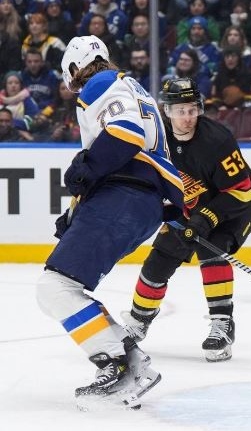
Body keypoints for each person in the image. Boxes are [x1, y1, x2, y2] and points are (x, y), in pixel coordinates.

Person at [35, 35, 184, 408]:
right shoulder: (132, 88)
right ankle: (133, 363)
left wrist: (85, 169)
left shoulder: (101, 82)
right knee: (62, 287)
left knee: (55, 289)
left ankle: (116, 366)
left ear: (75, 68)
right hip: (137, 202)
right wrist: (76, 211)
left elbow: (125, 134)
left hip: (124, 197)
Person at [121, 77, 251, 362]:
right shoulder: (156, 139)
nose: (187, 118)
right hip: (190, 210)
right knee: (158, 261)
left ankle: (223, 325)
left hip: (237, 206)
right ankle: (138, 321)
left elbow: (240, 190)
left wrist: (207, 217)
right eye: (180, 111)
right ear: (167, 111)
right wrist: (168, 209)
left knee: (213, 247)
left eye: (192, 110)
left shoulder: (217, 140)